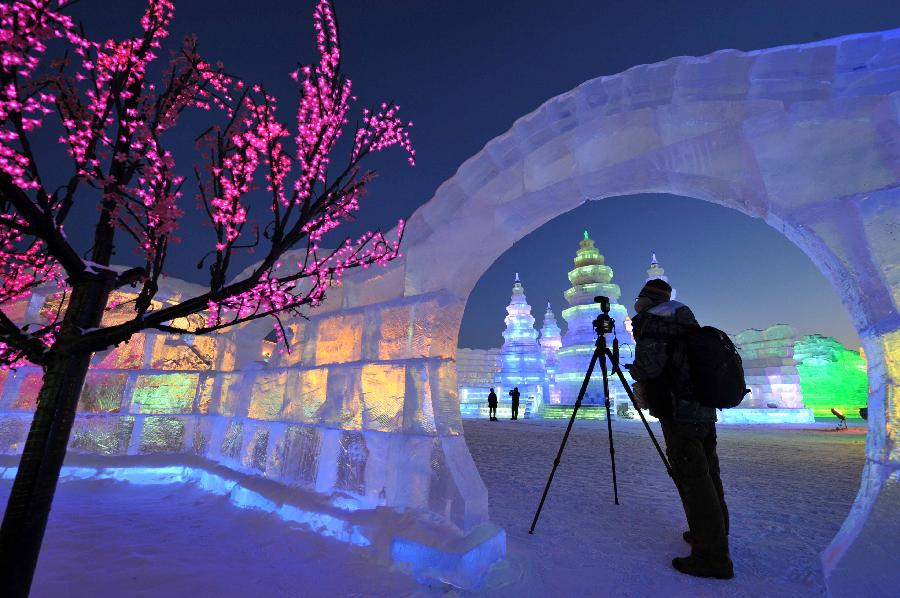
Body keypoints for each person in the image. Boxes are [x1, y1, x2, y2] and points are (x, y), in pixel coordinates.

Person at [629, 278, 733, 580]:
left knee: (693, 480)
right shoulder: (687, 323)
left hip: (679, 413)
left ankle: (713, 557)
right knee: (709, 474)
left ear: (648, 301)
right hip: (703, 411)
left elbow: (648, 368)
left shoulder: (656, 325)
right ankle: (713, 532)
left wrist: (633, 369)